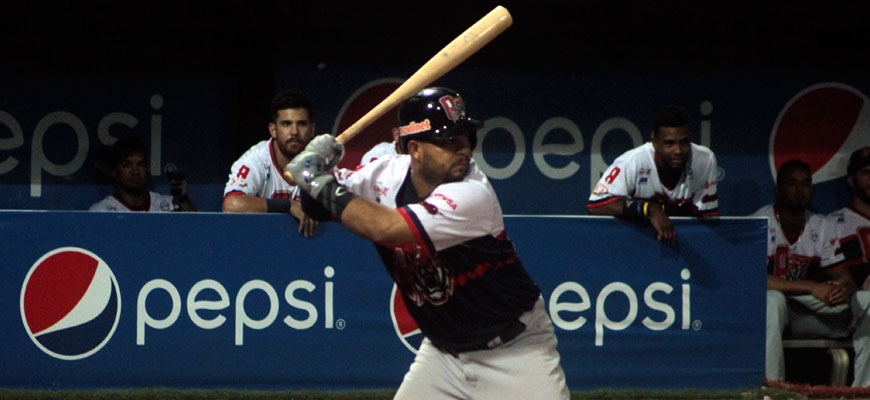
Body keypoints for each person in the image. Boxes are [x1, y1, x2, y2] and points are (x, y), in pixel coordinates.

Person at [284, 87, 570, 399]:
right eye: (448, 141)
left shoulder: (472, 193)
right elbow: (319, 206)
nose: (462, 149)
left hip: (516, 352)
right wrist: (315, 168)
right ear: (415, 149)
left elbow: (382, 227)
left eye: (465, 138)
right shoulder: (384, 174)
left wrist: (314, 178)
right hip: (444, 355)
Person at [754, 159, 870, 387]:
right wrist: (811, 286)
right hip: (770, 311)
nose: (800, 190)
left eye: (805, 184)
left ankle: (864, 390)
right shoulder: (759, 223)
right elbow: (753, 279)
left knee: (867, 300)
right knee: (773, 300)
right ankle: (771, 390)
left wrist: (843, 290)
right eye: (792, 184)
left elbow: (844, 279)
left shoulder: (821, 225)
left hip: (805, 311)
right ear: (777, 191)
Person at [586, 105, 718, 244]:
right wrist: (649, 209)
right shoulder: (633, 161)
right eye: (669, 143)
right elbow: (596, 205)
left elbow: (706, 220)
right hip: (633, 241)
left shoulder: (704, 160)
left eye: (684, 142)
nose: (678, 151)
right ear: (655, 143)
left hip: (684, 244)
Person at [223, 89, 320, 237]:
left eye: (301, 124)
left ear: (312, 129)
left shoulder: (320, 163)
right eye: (286, 124)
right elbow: (231, 205)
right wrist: (287, 205)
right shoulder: (256, 161)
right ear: (273, 130)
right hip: (255, 240)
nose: (294, 132)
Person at [89, 137, 197, 212]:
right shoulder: (101, 212)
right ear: (114, 171)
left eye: (140, 164)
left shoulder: (169, 205)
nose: (135, 171)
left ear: (147, 169)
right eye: (127, 165)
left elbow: (198, 229)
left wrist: (184, 199)